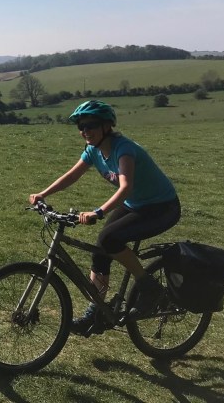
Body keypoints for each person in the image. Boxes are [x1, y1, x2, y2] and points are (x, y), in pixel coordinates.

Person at [29, 100, 181, 335]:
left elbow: (126, 187)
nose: (85, 131)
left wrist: (98, 212)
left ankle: (150, 289)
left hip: (162, 207)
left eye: (91, 125)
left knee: (110, 238)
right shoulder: (93, 150)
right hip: (135, 205)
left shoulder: (124, 149)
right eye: (81, 127)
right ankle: (96, 311)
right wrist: (43, 194)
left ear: (107, 126)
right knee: (102, 248)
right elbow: (72, 176)